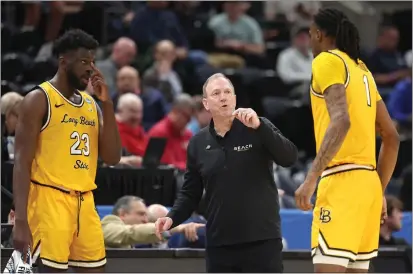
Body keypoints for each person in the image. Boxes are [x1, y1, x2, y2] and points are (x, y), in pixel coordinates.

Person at [155, 73, 298, 273]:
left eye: (227, 92)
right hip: (219, 244)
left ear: (235, 98)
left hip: (262, 240)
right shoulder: (197, 142)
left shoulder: (258, 126)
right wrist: (172, 218)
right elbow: (190, 192)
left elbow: (289, 157)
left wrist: (260, 127)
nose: (223, 97)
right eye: (216, 93)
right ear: (206, 104)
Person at [294, 8, 400, 273]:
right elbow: (392, 136)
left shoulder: (326, 61)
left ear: (319, 34)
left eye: (310, 35)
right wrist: (379, 189)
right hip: (368, 186)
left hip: (341, 181)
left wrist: (310, 179)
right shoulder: (362, 69)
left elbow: (341, 120)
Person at [12, 29, 122, 272]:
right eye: (84, 61)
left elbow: (113, 158)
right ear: (63, 62)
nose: (91, 69)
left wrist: (108, 103)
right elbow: (21, 162)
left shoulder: (92, 105)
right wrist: (20, 220)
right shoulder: (39, 99)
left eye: (93, 62)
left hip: (85, 201)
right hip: (49, 201)